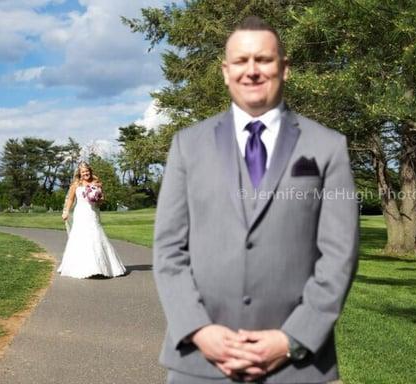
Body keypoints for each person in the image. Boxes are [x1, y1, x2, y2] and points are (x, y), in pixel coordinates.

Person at [153, 16, 359, 383]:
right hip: (199, 363)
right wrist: (199, 330)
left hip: (297, 367)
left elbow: (340, 255)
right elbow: (168, 249)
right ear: (225, 70)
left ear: (285, 68)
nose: (252, 71)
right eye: (240, 61)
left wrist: (291, 339)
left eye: (263, 60)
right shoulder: (187, 145)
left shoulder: (328, 146)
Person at [58, 162, 126, 279]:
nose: (86, 173)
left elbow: (101, 200)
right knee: (81, 237)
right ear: (80, 173)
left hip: (92, 213)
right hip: (80, 213)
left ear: (90, 171)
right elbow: (70, 199)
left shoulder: (96, 183)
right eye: (83, 172)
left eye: (87, 171)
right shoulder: (76, 185)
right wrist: (66, 211)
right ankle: (83, 267)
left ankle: (100, 267)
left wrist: (99, 198)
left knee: (95, 235)